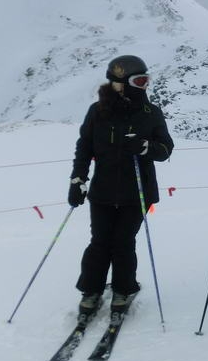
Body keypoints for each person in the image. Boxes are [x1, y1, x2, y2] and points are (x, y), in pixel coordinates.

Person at [68, 55, 174, 323]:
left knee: (123, 242)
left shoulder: (151, 113)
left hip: (137, 192)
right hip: (102, 192)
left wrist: (145, 147)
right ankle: (91, 291)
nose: (144, 86)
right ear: (119, 84)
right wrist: (78, 179)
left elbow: (165, 149)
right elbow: (85, 147)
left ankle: (123, 290)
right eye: (139, 81)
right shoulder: (98, 112)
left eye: (146, 80)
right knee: (100, 242)